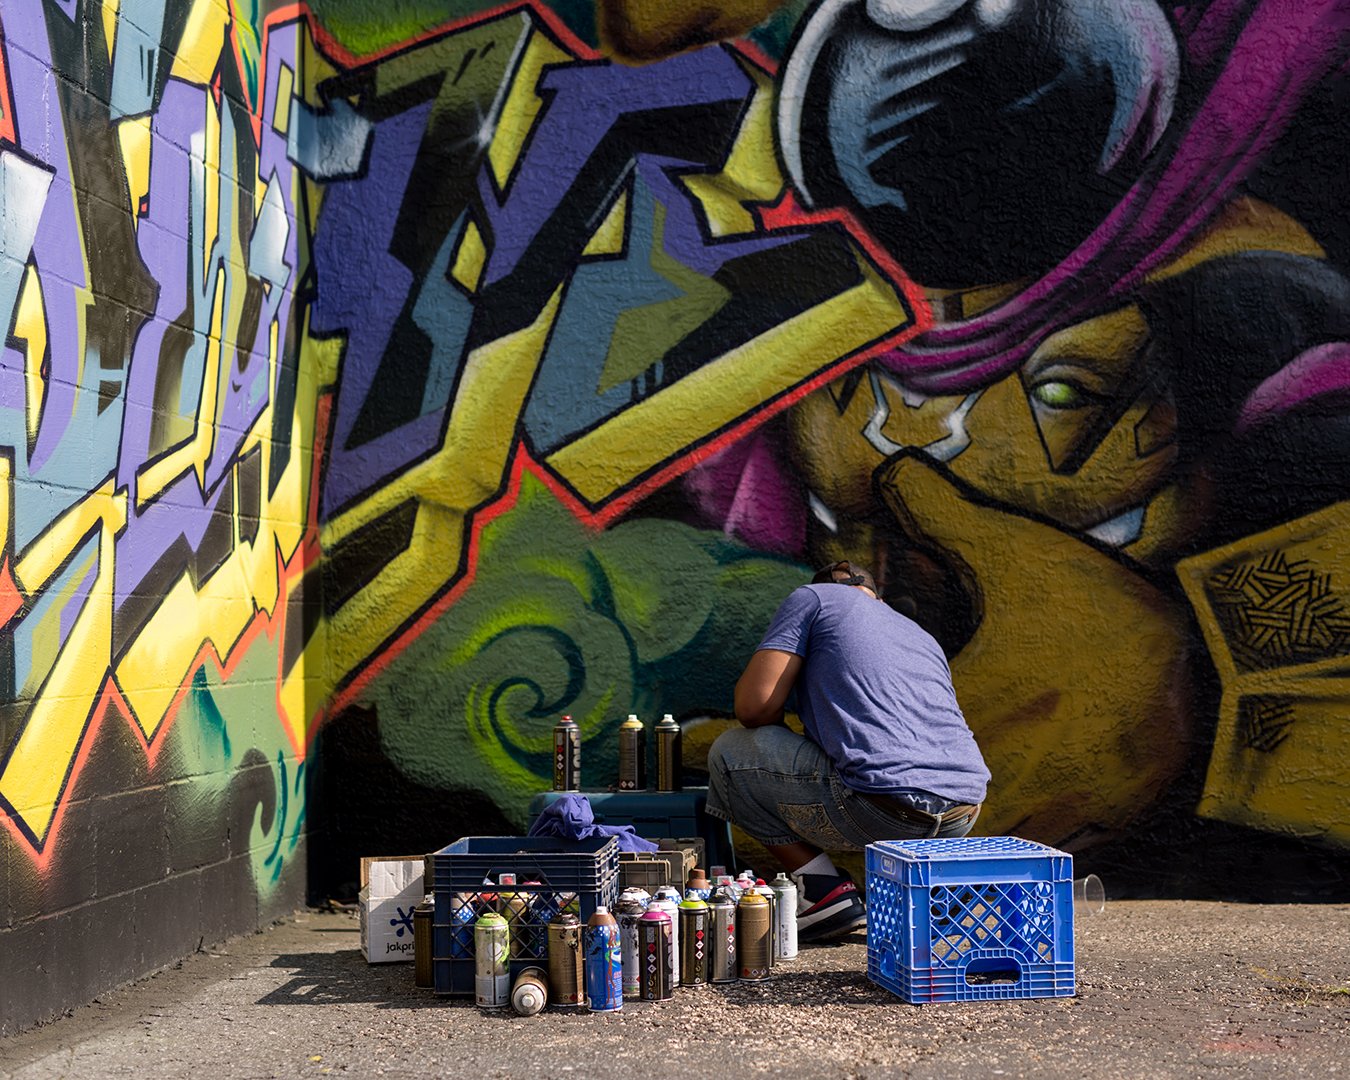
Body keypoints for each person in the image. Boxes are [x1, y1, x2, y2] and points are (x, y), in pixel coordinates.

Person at [705, 561, 991, 942]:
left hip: (880, 809)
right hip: (963, 812)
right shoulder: (918, 633)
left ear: (827, 587)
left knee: (729, 754)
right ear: (877, 597)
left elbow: (754, 707)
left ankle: (822, 890)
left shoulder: (815, 598)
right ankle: (932, 893)